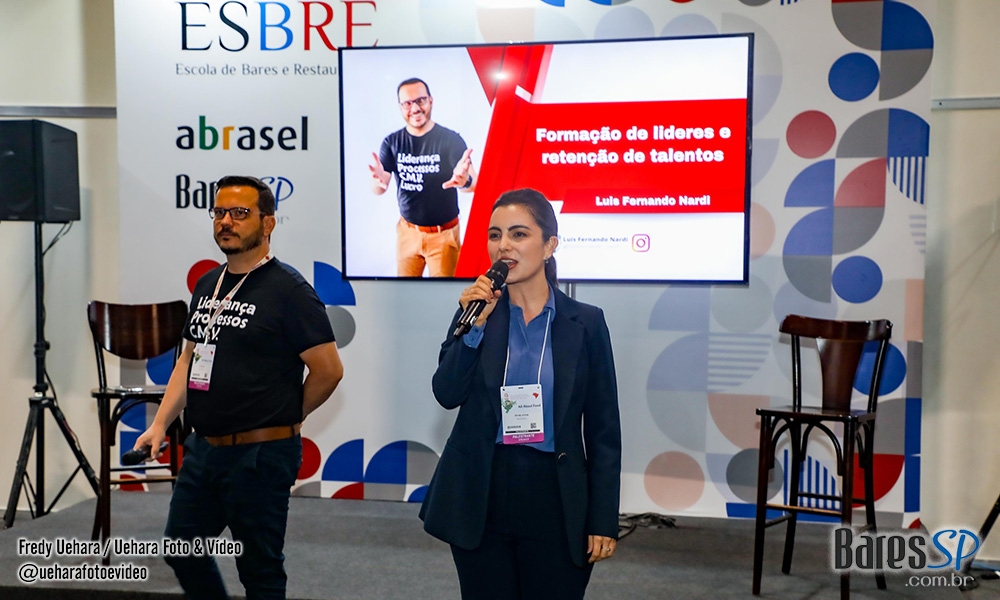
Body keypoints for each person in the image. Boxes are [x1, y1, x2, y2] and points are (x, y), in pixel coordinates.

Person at [133, 175, 344, 600]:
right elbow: (189, 360)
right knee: (182, 548)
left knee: (260, 572)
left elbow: (329, 371)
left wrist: (290, 414)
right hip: (204, 449)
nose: (226, 221)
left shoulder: (290, 291)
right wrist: (159, 425)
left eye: (240, 213)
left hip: (260, 455)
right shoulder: (208, 284)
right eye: (219, 212)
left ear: (268, 223)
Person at [419, 188, 622, 599]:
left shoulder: (585, 323)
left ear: (549, 246)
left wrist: (602, 518)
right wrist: (474, 327)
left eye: (518, 234)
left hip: (555, 493)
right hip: (483, 490)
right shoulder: (476, 313)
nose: (503, 246)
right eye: (495, 235)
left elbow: (604, 430)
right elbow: (446, 392)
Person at [369, 77, 476, 277]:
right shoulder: (392, 142)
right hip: (407, 233)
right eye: (408, 103)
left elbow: (474, 183)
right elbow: (379, 187)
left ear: (431, 100)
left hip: (443, 236)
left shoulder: (451, 140)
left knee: (444, 294)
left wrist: (465, 181)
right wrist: (378, 182)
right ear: (400, 107)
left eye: (420, 100)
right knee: (406, 292)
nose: (415, 108)